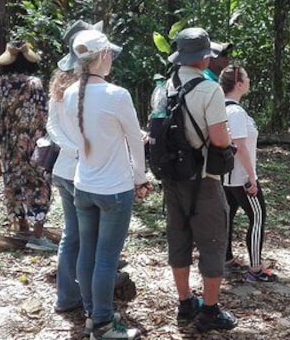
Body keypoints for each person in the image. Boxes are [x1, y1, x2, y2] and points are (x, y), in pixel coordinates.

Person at [61, 29, 152, 339]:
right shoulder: (117, 94)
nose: (112, 57)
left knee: (87, 252)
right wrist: (141, 178)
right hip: (114, 189)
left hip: (83, 186)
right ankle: (101, 323)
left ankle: (93, 313)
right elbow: (135, 142)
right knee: (106, 258)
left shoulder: (70, 93)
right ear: (101, 57)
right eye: (110, 53)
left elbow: (75, 139)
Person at [156, 27, 237, 332]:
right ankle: (211, 309)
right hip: (204, 178)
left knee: (178, 238)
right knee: (213, 241)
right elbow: (218, 139)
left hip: (173, 179)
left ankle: (185, 302)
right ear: (204, 57)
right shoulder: (209, 90)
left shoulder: (163, 88)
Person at [47, 20, 102, 313]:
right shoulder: (82, 83)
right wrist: (82, 151)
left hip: (65, 169)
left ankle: (69, 296)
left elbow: (52, 127)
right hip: (84, 172)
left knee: (73, 235)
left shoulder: (60, 81)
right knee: (88, 238)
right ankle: (89, 299)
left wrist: (74, 150)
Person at [0, 40, 55, 251]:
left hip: (8, 145)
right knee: (39, 185)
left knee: (13, 184)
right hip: (34, 145)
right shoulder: (35, 83)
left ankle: (22, 226)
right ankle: (38, 233)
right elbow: (45, 114)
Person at [219, 65, 276, 283]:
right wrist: (252, 179)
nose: (250, 80)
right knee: (258, 217)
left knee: (228, 216)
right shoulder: (235, 111)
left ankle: (226, 258)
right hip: (240, 178)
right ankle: (255, 268)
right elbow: (240, 147)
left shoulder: (221, 108)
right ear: (239, 84)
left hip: (226, 178)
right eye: (247, 77)